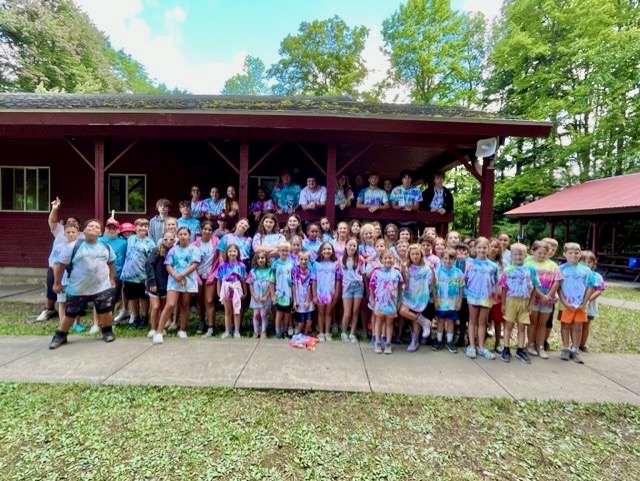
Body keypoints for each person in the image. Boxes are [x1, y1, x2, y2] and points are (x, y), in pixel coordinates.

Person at [48, 219, 116, 349]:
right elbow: (60, 266)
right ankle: (60, 335)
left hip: (102, 286)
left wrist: (112, 279)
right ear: (83, 231)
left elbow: (111, 263)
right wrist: (57, 283)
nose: (94, 228)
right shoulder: (73, 247)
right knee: (71, 312)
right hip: (78, 288)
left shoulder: (106, 247)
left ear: (100, 232)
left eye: (97, 227)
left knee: (105, 310)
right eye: (90, 226)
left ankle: (107, 331)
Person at [153, 227, 200, 343]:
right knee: (170, 304)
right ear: (177, 236)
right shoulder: (173, 250)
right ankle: (159, 332)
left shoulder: (194, 249)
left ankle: (182, 329)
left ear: (189, 236)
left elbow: (194, 264)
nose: (183, 236)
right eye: (181, 234)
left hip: (188, 279)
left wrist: (182, 275)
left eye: (185, 234)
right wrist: (176, 276)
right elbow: (168, 264)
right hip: (174, 279)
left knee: (184, 305)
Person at [38, 197, 82, 322]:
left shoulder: (82, 236)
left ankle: (74, 316)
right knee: (52, 286)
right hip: (55, 266)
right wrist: (55, 208)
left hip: (73, 269)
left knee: (73, 292)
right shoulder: (60, 230)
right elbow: (52, 221)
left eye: (74, 222)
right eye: (69, 221)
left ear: (79, 226)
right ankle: (49, 309)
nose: (71, 223)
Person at [498, 243, 540, 364]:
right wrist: (503, 304)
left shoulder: (531, 270)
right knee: (508, 325)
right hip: (511, 300)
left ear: (525, 255)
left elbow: (535, 287)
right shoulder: (507, 270)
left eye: (521, 254)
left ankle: (520, 349)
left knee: (522, 326)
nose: (518, 257)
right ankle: (506, 348)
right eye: (515, 254)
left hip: (524, 301)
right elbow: (504, 288)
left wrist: (531, 304)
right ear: (511, 256)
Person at [558, 242, 597, 364]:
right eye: (570, 253)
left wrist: (584, 302)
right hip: (566, 304)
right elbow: (558, 287)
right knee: (565, 325)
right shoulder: (560, 269)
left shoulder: (586, 270)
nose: (573, 255)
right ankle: (565, 348)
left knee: (578, 326)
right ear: (564, 254)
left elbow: (590, 287)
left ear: (580, 254)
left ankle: (575, 349)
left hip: (580, 304)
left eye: (576, 252)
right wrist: (564, 302)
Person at [525, 240, 562, 359]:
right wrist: (541, 295)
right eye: (539, 253)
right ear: (533, 251)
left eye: (544, 253)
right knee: (533, 322)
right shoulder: (528, 263)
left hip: (547, 300)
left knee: (543, 323)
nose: (542, 255)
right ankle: (530, 344)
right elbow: (529, 281)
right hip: (533, 298)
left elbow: (557, 281)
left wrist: (549, 295)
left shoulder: (552, 265)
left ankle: (540, 346)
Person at [464, 236, 499, 360]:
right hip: (473, 296)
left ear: (488, 249)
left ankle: (481, 346)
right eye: (479, 247)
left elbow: (496, 282)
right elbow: (466, 279)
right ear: (475, 248)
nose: (482, 250)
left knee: (482, 322)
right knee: (472, 321)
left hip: (487, 297)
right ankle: (472, 346)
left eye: (485, 247)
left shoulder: (493, 266)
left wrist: (495, 297)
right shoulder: (470, 263)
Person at [120, 218, 156, 329]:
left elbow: (151, 261)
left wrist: (149, 277)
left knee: (144, 297)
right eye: (140, 226)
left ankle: (145, 317)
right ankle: (136, 317)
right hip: (129, 275)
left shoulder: (150, 243)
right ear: (135, 228)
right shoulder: (130, 239)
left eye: (145, 226)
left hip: (143, 275)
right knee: (132, 297)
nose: (142, 228)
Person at [399, 244, 435, 352]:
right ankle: (425, 322)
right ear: (409, 255)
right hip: (409, 295)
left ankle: (414, 341)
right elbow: (405, 282)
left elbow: (433, 283)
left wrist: (433, 271)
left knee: (415, 318)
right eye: (413, 254)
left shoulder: (426, 268)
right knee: (403, 311)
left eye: (417, 254)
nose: (415, 256)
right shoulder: (407, 266)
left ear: (421, 254)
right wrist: (403, 269)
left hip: (420, 296)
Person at [370, 250, 404, 354]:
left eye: (390, 258)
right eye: (385, 258)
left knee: (389, 323)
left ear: (394, 260)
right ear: (381, 260)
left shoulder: (397, 273)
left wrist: (399, 300)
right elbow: (371, 286)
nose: (388, 260)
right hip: (380, 302)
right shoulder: (376, 273)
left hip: (391, 302)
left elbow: (400, 287)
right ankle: (378, 342)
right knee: (379, 322)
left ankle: (388, 343)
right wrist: (372, 299)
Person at [98, 219, 128, 334]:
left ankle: (109, 322)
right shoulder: (99, 240)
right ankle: (98, 323)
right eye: (109, 227)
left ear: (118, 230)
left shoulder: (124, 242)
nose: (111, 230)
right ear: (105, 229)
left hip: (117, 275)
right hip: (100, 275)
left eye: (114, 228)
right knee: (100, 300)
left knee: (113, 300)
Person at [51, 220, 81, 329]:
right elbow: (55, 264)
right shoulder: (59, 247)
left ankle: (76, 323)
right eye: (68, 232)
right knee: (62, 302)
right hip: (63, 279)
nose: (71, 234)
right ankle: (62, 323)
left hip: (77, 279)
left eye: (73, 232)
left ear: (78, 233)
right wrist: (57, 280)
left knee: (76, 302)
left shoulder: (81, 246)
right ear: (64, 233)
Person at [434, 248, 464, 353]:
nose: (448, 261)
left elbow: (461, 287)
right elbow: (434, 288)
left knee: (451, 322)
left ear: (455, 259)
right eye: (445, 258)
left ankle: (449, 341)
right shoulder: (437, 271)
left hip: (453, 303)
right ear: (442, 259)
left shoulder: (458, 272)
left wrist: (460, 301)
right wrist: (435, 300)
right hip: (441, 302)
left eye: (451, 258)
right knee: (440, 322)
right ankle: (439, 340)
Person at [145, 230, 173, 341]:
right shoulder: (156, 250)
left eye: (171, 239)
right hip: (154, 284)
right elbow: (149, 264)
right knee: (155, 307)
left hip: (166, 285)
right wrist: (152, 282)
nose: (168, 241)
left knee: (163, 307)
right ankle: (153, 328)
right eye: (166, 239)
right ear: (162, 239)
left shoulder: (173, 251)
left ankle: (161, 328)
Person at [193, 221, 219, 337]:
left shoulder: (216, 242)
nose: (207, 231)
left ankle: (211, 326)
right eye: (205, 229)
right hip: (198, 275)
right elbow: (191, 262)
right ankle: (201, 322)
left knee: (209, 300)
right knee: (199, 300)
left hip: (210, 275)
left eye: (210, 230)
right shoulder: (195, 244)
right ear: (201, 230)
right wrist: (196, 276)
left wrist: (213, 275)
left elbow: (219, 261)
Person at [216, 244, 248, 339]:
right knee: (227, 310)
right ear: (227, 253)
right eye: (230, 251)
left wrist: (245, 291)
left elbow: (243, 280)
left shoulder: (241, 266)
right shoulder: (222, 265)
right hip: (226, 288)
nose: (232, 253)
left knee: (236, 310)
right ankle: (227, 330)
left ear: (238, 253)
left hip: (236, 288)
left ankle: (237, 331)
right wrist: (219, 291)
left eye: (234, 251)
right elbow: (219, 280)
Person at [314, 242, 341, 341]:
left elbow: (338, 280)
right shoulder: (316, 264)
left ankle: (327, 332)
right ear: (321, 251)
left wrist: (336, 293)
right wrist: (314, 295)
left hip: (330, 293)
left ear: (332, 251)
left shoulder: (335, 264)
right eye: (324, 249)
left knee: (329, 313)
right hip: (320, 293)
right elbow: (314, 280)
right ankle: (321, 332)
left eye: (329, 249)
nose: (327, 251)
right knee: (321, 313)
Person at [579, 250, 605, 352]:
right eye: (583, 261)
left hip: (590, 305)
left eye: (589, 262)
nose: (586, 264)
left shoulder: (597, 276)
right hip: (577, 304)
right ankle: (575, 345)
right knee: (577, 325)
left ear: (594, 263)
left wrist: (587, 299)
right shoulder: (577, 274)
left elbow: (599, 290)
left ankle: (582, 345)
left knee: (586, 325)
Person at [340, 238, 365, 343]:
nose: (352, 247)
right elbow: (340, 275)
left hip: (358, 286)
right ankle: (343, 332)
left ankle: (352, 333)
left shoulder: (360, 259)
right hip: (347, 287)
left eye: (354, 246)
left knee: (355, 311)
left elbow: (363, 273)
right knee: (347, 312)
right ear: (346, 246)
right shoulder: (341, 259)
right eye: (350, 245)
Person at [247, 251, 274, 339]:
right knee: (256, 314)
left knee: (263, 314)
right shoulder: (253, 271)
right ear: (256, 260)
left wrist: (266, 296)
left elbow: (271, 284)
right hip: (256, 296)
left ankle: (263, 331)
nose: (260, 260)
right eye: (258, 258)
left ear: (266, 259)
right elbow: (250, 284)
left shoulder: (270, 271)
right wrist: (254, 295)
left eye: (262, 258)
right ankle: (255, 331)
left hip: (266, 296)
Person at [271, 242, 295, 338]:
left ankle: (285, 329)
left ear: (289, 251)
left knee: (287, 313)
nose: (284, 252)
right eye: (282, 250)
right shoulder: (275, 264)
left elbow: (293, 280)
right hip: (279, 293)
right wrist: (273, 295)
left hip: (288, 293)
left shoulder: (291, 263)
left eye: (286, 251)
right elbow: (271, 281)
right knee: (279, 312)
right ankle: (278, 330)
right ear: (278, 251)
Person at [291, 251, 315, 335]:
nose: (303, 261)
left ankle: (305, 333)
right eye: (301, 259)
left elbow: (310, 286)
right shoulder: (295, 270)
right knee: (300, 321)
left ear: (308, 260)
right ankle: (298, 334)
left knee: (309, 321)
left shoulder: (310, 271)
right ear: (298, 259)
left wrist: (307, 300)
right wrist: (294, 301)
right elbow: (294, 285)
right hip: (298, 298)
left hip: (308, 298)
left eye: (305, 259)